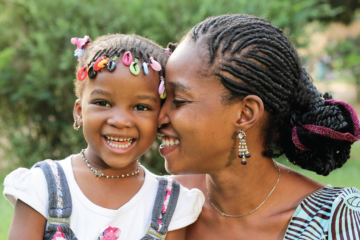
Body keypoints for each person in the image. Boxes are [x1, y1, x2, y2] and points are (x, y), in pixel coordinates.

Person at [158, 14, 360, 239]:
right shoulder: (159, 205)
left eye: (179, 101)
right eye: (163, 98)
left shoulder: (334, 224)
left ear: (246, 113)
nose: (159, 118)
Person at [4, 34, 204, 240]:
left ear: (160, 118)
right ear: (79, 111)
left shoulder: (171, 205)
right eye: (103, 103)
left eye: (141, 107)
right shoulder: (42, 187)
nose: (120, 121)